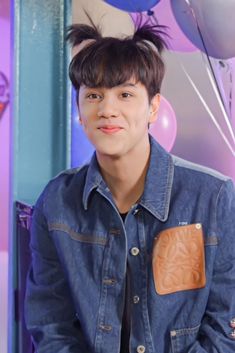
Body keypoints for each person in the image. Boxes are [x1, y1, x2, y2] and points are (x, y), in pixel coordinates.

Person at [25, 21, 235, 353]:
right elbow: (51, 325)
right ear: (79, 109)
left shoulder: (214, 198)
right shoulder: (57, 203)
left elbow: (227, 328)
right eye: (93, 95)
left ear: (153, 107)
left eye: (125, 94)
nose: (107, 110)